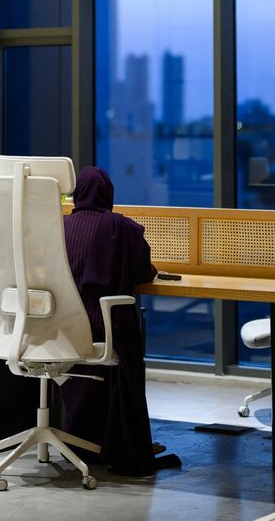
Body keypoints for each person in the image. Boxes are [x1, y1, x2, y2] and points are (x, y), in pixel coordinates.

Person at [60, 165, 179, 476]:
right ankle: (126, 443)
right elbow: (143, 272)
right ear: (108, 194)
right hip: (102, 327)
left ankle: (84, 438)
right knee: (127, 331)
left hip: (60, 329)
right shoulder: (121, 228)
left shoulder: (57, 227)